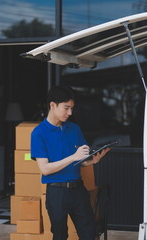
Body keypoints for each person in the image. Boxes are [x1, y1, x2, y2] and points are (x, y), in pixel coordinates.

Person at [31, 85, 109, 240]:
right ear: (52, 105)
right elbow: (45, 169)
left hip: (78, 189)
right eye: (66, 108)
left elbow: (79, 162)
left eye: (72, 108)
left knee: (90, 234)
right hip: (56, 192)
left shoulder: (74, 129)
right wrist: (73, 157)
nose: (70, 113)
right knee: (60, 235)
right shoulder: (39, 133)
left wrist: (92, 161)